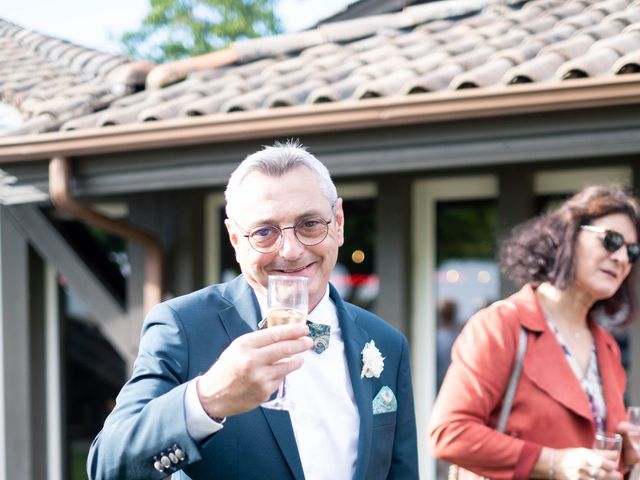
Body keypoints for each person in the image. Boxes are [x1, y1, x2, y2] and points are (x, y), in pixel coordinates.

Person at [87, 140, 418, 479]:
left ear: (338, 223)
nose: (290, 250)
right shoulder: (182, 326)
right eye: (264, 232)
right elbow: (108, 465)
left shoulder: (386, 343)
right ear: (235, 240)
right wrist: (208, 398)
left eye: (309, 224)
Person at [428, 185, 640, 479]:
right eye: (611, 241)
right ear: (569, 234)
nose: (622, 258)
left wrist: (627, 461)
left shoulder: (607, 347)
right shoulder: (503, 325)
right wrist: (554, 462)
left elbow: (595, 460)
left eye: (632, 251)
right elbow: (448, 433)